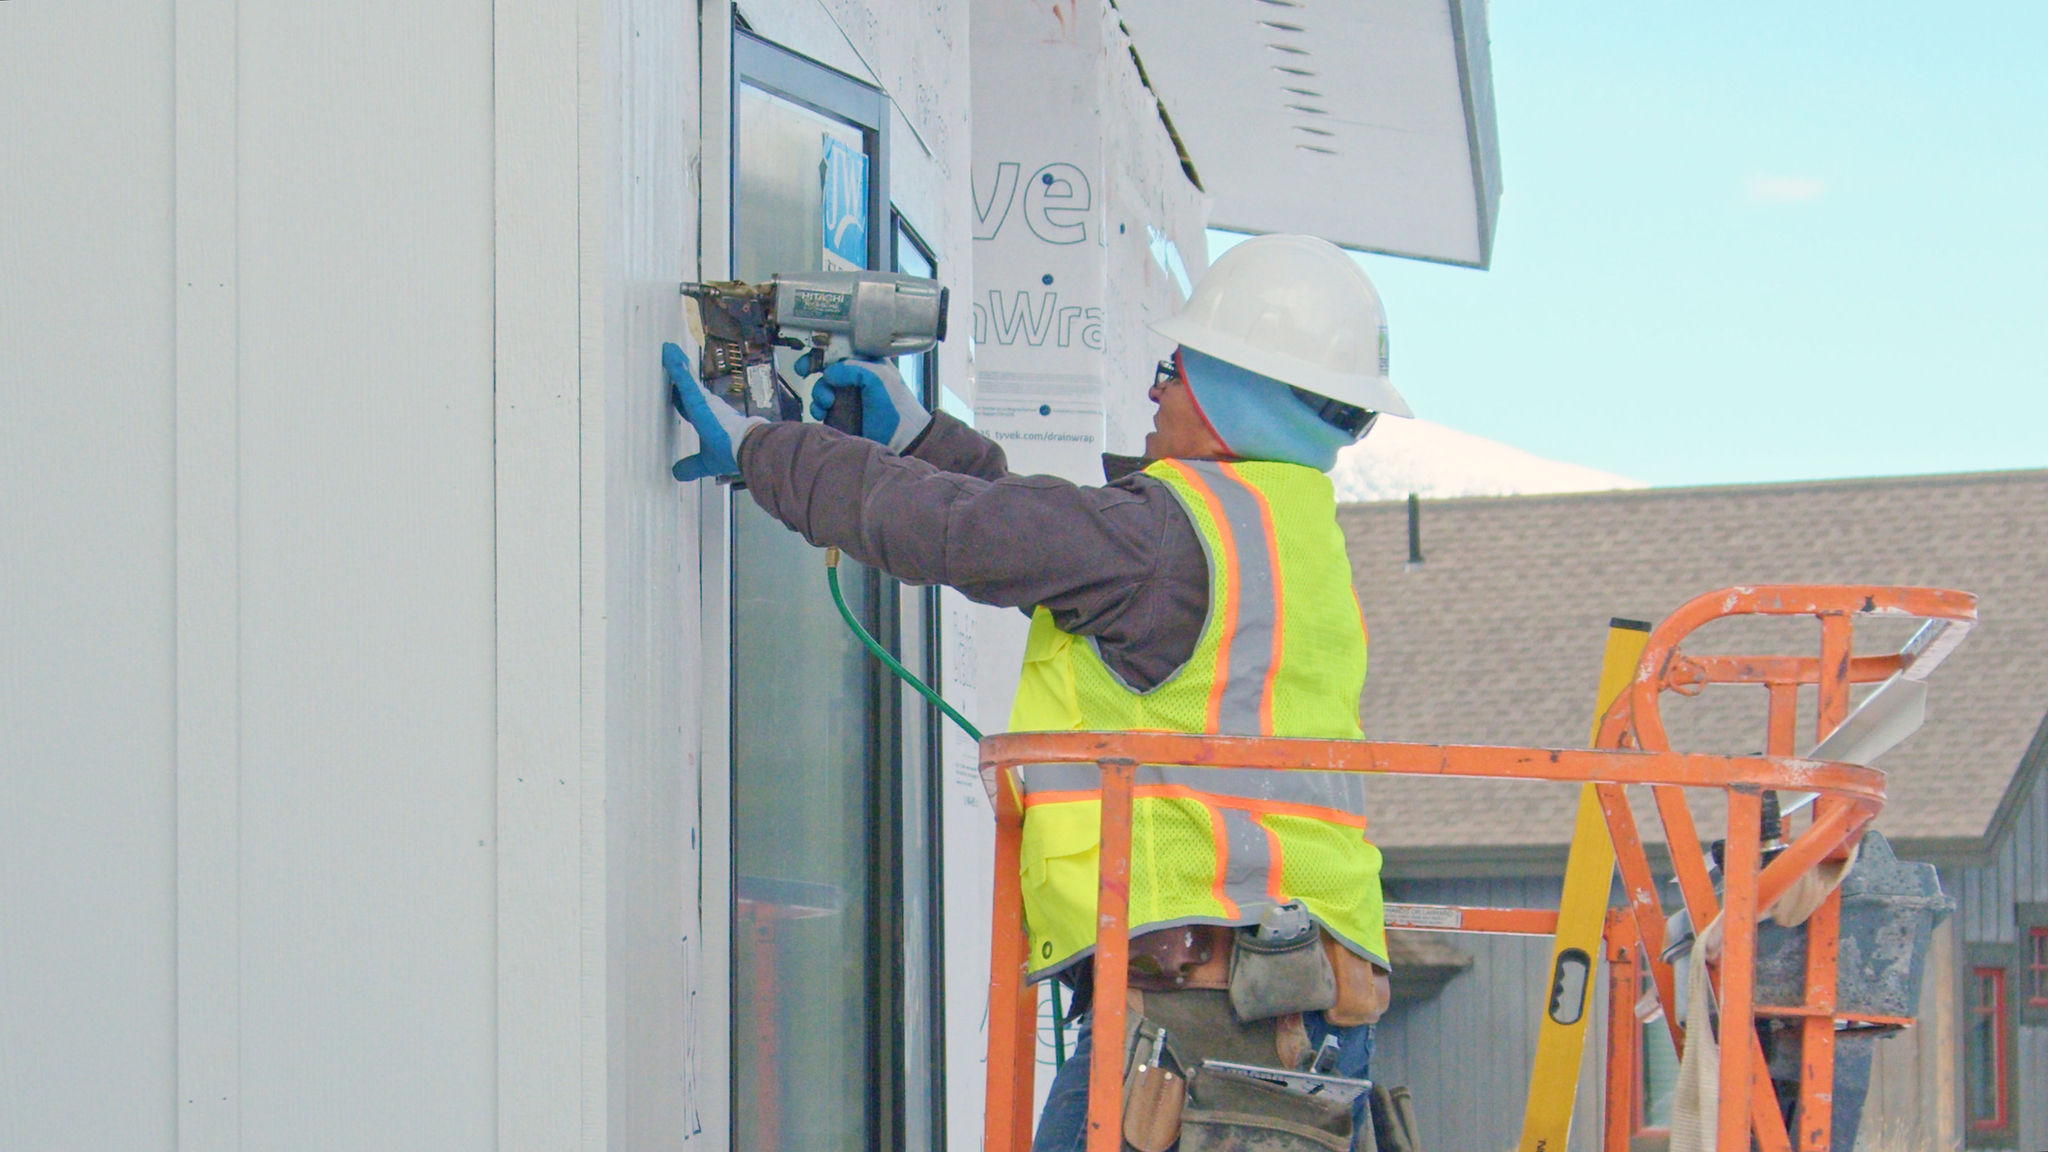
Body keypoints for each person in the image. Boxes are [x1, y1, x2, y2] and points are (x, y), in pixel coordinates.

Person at [669, 234, 1406, 1152]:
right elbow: (1049, 533)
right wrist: (921, 442)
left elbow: (971, 532)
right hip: (1295, 989)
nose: (1154, 392)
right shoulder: (1279, 534)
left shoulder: (1171, 536)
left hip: (1216, 1015)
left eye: (1170, 370)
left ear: (1228, 395)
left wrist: (763, 449)